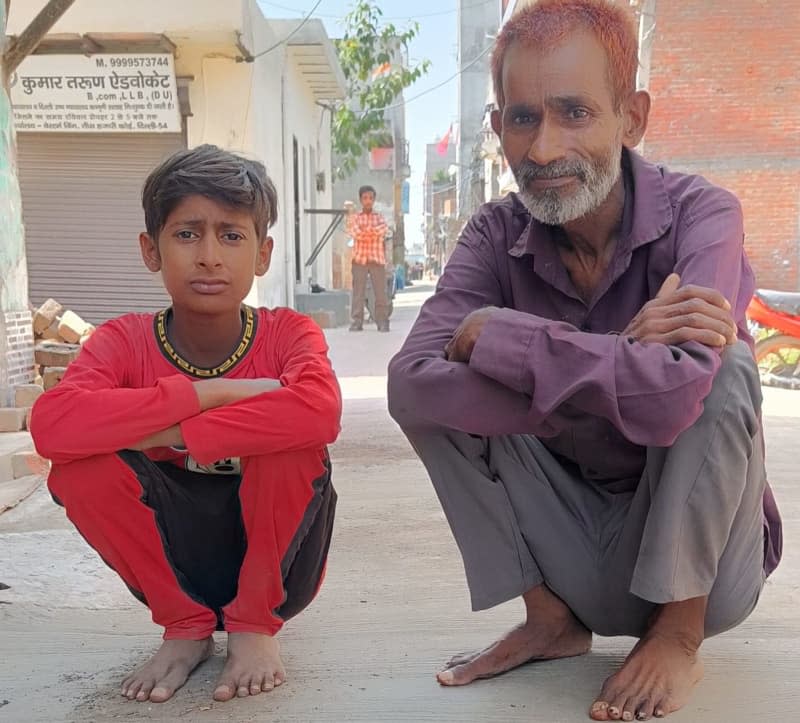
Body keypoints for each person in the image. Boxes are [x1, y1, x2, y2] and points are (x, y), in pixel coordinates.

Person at [387, 1, 782, 721]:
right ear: (498, 126)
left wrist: (512, 343)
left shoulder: (704, 215)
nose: (541, 150)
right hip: (572, 553)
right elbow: (410, 388)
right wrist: (620, 363)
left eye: (574, 112)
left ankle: (676, 634)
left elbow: (682, 399)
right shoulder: (493, 233)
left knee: (723, 371)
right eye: (521, 118)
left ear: (632, 117)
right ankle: (551, 620)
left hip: (704, 566)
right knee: (441, 393)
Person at [29, 145, 341, 705]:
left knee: (293, 442)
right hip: (174, 555)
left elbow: (319, 409)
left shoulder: (288, 334)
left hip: (280, 560)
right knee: (78, 470)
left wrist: (166, 431)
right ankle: (185, 625)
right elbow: (52, 427)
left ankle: (253, 626)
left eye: (231, 235)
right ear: (152, 250)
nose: (210, 257)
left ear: (262, 253)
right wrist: (211, 394)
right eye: (187, 234)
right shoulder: (122, 341)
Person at [346, 185, 391, 332]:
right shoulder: (355, 218)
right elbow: (355, 233)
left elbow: (382, 230)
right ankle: (356, 322)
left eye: (370, 198)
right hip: (359, 260)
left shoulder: (379, 218)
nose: (368, 201)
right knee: (358, 293)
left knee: (380, 293)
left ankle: (382, 322)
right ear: (360, 200)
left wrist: (366, 233)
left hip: (376, 259)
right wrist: (371, 233)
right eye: (365, 198)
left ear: (374, 200)